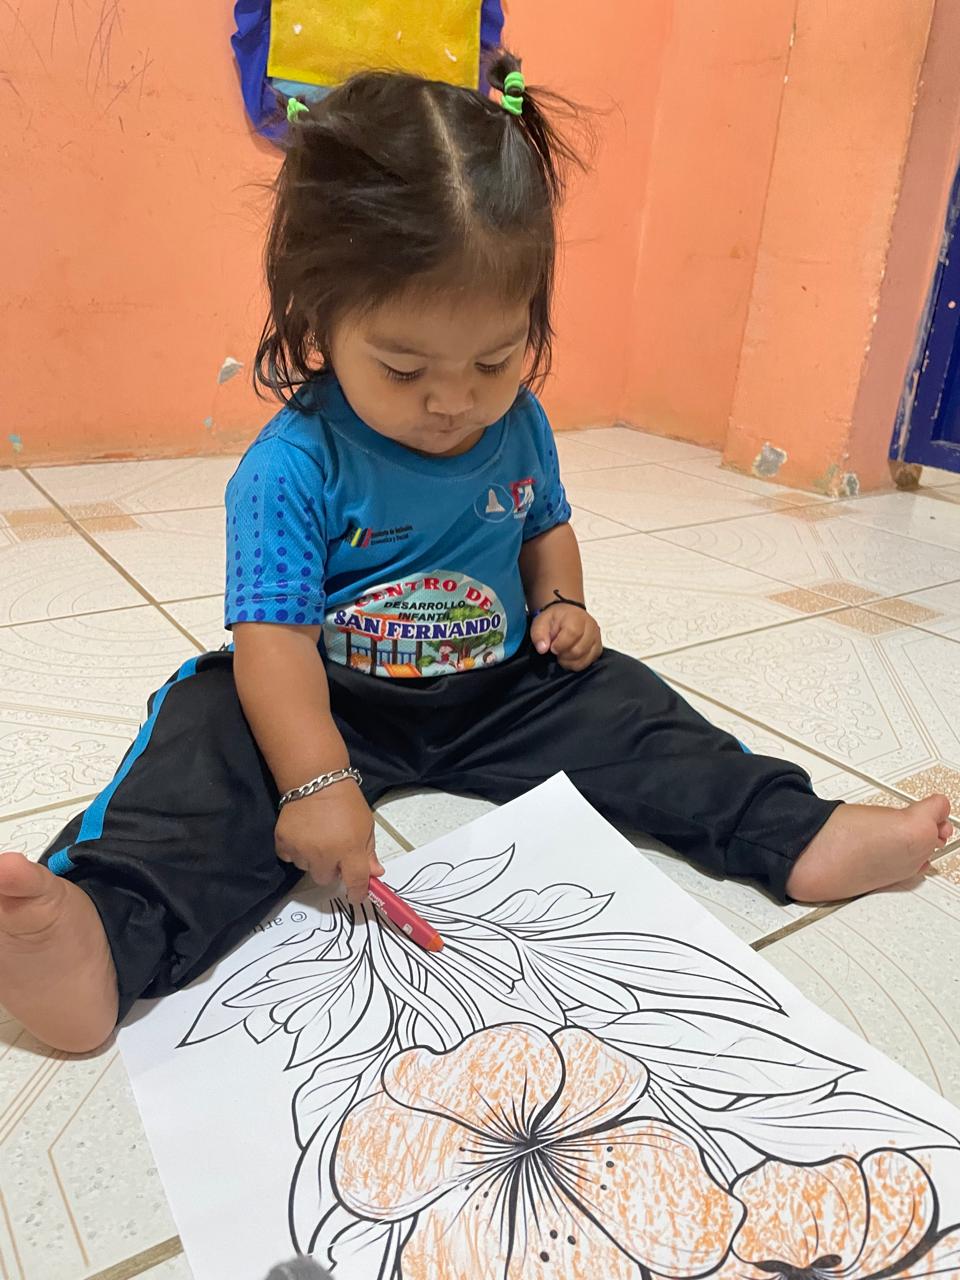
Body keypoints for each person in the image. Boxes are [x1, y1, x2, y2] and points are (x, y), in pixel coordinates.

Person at [0, 55, 952, 1054]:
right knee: (205, 735)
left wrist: (561, 602)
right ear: (318, 319)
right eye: (403, 367)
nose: (454, 400)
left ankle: (794, 833)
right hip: (326, 694)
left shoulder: (520, 424)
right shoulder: (291, 465)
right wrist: (316, 781)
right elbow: (272, 641)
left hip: (499, 688)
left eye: (495, 360)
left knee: (632, 706)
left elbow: (545, 527)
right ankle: (101, 937)